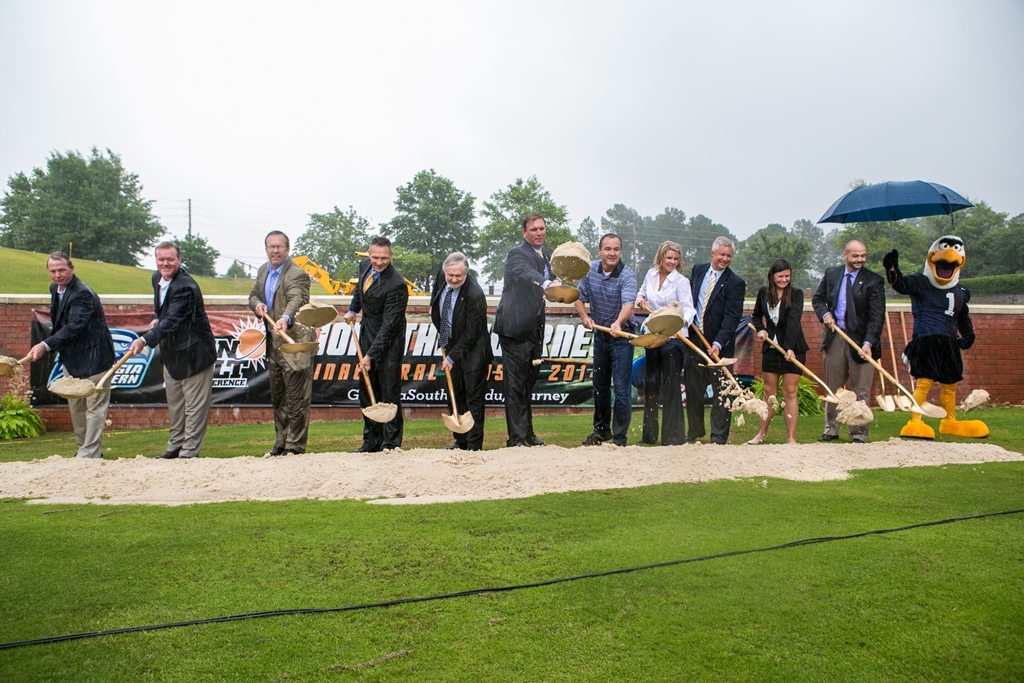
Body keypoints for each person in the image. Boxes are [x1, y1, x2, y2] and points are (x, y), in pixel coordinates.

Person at [128, 241, 217, 459]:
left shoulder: (186, 286)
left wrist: (145, 340)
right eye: (161, 259)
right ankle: (174, 447)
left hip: (195, 353)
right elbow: (162, 312)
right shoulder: (156, 278)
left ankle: (189, 452)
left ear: (178, 260)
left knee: (194, 408)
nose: (165, 263)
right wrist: (155, 318)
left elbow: (173, 321)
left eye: (170, 259)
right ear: (156, 260)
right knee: (176, 405)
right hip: (172, 353)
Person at [27, 252, 115, 459]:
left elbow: (75, 326)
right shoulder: (55, 289)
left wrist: (45, 344)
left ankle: (89, 454)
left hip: (96, 357)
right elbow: (61, 322)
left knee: (94, 408)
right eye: (53, 271)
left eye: (62, 270)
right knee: (76, 407)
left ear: (72, 268)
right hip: (73, 358)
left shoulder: (82, 293)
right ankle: (85, 450)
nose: (57, 275)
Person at [492, 213, 561, 447]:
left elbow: (552, 280)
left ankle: (527, 434)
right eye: (533, 230)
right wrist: (546, 282)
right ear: (524, 233)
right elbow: (526, 273)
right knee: (515, 385)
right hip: (514, 328)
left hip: (534, 330)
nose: (539, 233)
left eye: (542, 228)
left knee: (527, 384)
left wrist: (559, 283)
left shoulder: (545, 255)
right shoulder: (517, 254)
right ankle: (517, 439)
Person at [811, 239, 885, 443]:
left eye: (863, 256)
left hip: (862, 342)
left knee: (860, 390)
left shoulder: (874, 281)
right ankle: (831, 429)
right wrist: (825, 314)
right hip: (836, 337)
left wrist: (868, 343)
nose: (860, 259)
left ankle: (858, 433)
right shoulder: (832, 274)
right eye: (855, 256)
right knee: (833, 388)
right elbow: (817, 299)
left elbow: (877, 317)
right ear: (845, 255)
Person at [249, 230, 314, 456]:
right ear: (266, 249)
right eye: (271, 247)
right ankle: (281, 442)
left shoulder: (297, 274)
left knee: (296, 398)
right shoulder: (262, 271)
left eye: (279, 247)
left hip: (294, 342)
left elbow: (297, 299)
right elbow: (253, 295)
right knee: (279, 397)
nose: (275, 250)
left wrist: (285, 318)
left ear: (288, 249)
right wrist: (257, 305)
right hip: (273, 344)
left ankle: (295, 445)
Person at [343, 236, 409, 453]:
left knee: (388, 394)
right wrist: (353, 309)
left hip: (389, 342)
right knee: (367, 391)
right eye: (375, 258)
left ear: (391, 256)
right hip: (367, 335)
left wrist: (370, 356)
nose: (379, 262)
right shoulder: (365, 266)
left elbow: (390, 326)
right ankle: (371, 441)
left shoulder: (397, 284)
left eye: (384, 258)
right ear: (368, 255)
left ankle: (390, 443)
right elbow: (359, 290)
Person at [574, 233, 637, 447]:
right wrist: (584, 316)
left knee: (621, 390)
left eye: (616, 249)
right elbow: (578, 297)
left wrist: (618, 323)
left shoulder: (627, 275)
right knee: (599, 386)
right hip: (600, 337)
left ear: (620, 251)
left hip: (621, 338)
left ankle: (619, 439)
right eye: (608, 249)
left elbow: (628, 304)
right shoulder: (589, 270)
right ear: (599, 251)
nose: (612, 253)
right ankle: (601, 431)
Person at [684, 236, 745, 445]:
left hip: (719, 346)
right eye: (721, 254)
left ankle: (718, 436)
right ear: (713, 254)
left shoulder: (736, 283)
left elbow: (732, 318)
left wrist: (718, 343)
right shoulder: (698, 271)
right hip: (694, 341)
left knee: (722, 393)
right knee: (693, 390)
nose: (725, 259)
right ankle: (695, 430)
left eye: (728, 255)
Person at [635, 241, 696, 446]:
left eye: (675, 259)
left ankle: (673, 437)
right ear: (660, 258)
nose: (672, 262)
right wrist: (641, 298)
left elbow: (689, 309)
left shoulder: (681, 282)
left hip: (674, 339)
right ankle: (649, 436)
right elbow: (641, 292)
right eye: (669, 258)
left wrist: (678, 323)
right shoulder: (650, 275)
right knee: (651, 385)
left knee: (671, 387)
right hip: (653, 335)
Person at [430, 252, 493, 451]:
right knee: (454, 395)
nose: (454, 279)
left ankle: (473, 446)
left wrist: (452, 357)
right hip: (451, 344)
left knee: (473, 400)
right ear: (445, 272)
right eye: (451, 276)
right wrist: (443, 337)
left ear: (466, 273)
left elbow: (472, 333)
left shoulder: (475, 294)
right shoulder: (442, 279)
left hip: (474, 352)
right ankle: (460, 441)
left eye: (459, 276)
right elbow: (437, 308)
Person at [748, 259, 810, 445]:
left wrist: (790, 347)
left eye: (787, 276)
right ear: (772, 276)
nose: (784, 279)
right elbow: (756, 316)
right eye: (780, 276)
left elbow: (793, 321)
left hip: (793, 348)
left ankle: (791, 438)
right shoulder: (763, 293)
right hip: (771, 348)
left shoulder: (797, 294)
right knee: (769, 393)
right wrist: (761, 329)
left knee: (790, 391)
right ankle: (761, 434)